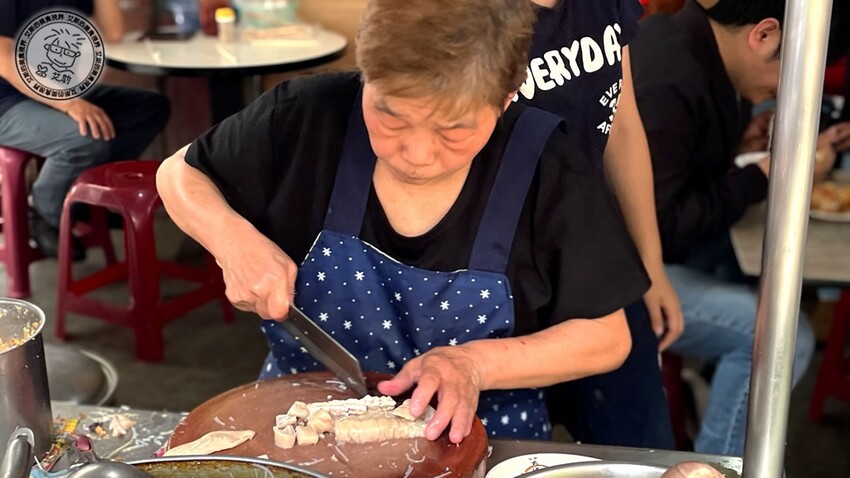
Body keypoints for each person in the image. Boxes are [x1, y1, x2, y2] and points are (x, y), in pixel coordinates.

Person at [157, 0, 651, 441]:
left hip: (480, 439)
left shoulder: (550, 168)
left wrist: (472, 364)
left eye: (453, 129)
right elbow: (178, 175)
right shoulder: (304, 117)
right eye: (391, 116)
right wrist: (231, 239)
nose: (416, 154)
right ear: (365, 74)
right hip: (302, 427)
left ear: (504, 100)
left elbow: (606, 338)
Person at [628, 0, 847, 455]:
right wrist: (767, 173)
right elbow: (661, 225)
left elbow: (680, 169)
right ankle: (720, 462)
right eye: (796, 74)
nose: (791, 92)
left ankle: (708, 404)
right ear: (764, 35)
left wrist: (742, 147)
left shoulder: (701, 51)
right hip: (628, 276)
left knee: (751, 275)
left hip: (660, 259)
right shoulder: (671, 75)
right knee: (779, 341)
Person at [518, 0, 681, 448]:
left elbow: (622, 128)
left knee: (643, 448)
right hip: (496, 272)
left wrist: (650, 266)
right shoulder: (464, 13)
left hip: (595, 256)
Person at [0, 0, 170, 260]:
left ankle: (81, 199)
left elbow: (113, 33)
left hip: (48, 90)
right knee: (82, 137)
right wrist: (67, 102)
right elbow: (4, 55)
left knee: (149, 108)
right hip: (6, 100)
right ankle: (42, 211)